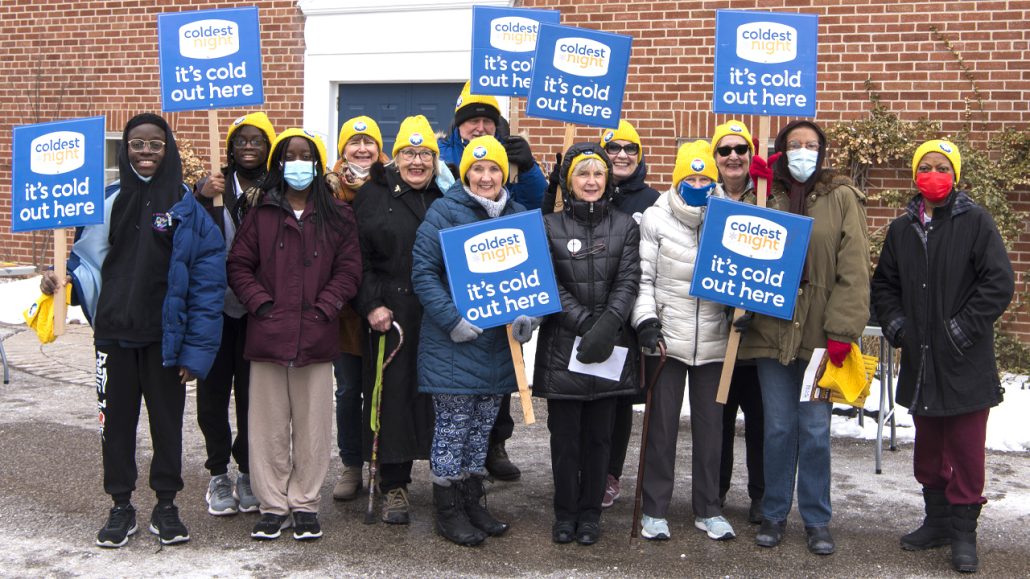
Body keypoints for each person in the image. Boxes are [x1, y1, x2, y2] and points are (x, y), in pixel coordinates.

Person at [41, 113, 226, 548]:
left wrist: (195, 354)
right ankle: (120, 506)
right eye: (137, 144)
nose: (146, 152)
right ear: (125, 149)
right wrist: (60, 284)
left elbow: (206, 282)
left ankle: (166, 505)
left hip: (166, 342)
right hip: (113, 337)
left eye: (155, 144)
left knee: (167, 426)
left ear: (169, 149)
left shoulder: (187, 206)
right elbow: (85, 264)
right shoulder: (103, 201)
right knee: (116, 426)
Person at [871, 140, 1014, 573]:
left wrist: (960, 328)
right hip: (920, 360)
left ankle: (963, 532)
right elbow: (884, 287)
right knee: (929, 450)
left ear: (955, 174)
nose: (934, 174)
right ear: (916, 176)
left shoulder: (976, 222)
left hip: (964, 358)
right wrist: (899, 327)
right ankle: (936, 522)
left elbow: (998, 283)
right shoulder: (901, 229)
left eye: (942, 167)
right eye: (926, 167)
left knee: (967, 451)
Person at [738, 120, 870, 556]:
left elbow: (854, 270)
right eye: (793, 145)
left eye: (811, 145)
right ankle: (774, 512)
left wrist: (842, 331)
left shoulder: (843, 197)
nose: (802, 151)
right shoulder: (764, 193)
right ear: (780, 151)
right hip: (771, 330)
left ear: (822, 152)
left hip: (819, 335)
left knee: (814, 428)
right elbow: (740, 252)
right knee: (777, 427)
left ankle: (816, 518)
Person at [228, 129, 362, 542]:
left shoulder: (338, 215)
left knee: (313, 427)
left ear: (318, 164)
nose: (298, 163)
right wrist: (263, 305)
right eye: (290, 155)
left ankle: (304, 504)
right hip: (268, 338)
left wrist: (326, 307)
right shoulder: (261, 212)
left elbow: (350, 270)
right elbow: (238, 266)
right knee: (266, 428)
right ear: (279, 164)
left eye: (306, 156)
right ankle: (272, 506)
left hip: (317, 338)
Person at [412, 135, 533, 545]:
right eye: (477, 169)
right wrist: (451, 320)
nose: (485, 177)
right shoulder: (444, 212)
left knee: (481, 430)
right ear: (466, 173)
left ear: (505, 173)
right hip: (455, 346)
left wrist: (529, 317)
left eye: (493, 169)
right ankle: (447, 511)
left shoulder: (517, 216)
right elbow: (423, 274)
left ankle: (472, 501)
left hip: (498, 349)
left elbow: (532, 281)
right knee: (453, 428)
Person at [438, 82, 548, 481]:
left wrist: (530, 168)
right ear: (459, 128)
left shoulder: (510, 157)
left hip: (499, 275)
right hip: (455, 281)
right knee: (455, 380)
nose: (479, 127)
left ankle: (494, 445)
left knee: (499, 369)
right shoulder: (441, 155)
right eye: (471, 122)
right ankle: (453, 461)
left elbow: (537, 204)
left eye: (487, 120)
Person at [533, 142, 641, 546]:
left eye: (598, 174)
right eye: (583, 174)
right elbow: (549, 283)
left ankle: (591, 514)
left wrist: (608, 324)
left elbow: (628, 280)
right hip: (565, 348)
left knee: (600, 439)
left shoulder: (626, 225)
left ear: (607, 180)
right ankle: (565, 512)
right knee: (564, 439)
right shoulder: (549, 226)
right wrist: (584, 324)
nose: (591, 181)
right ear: (569, 182)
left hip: (610, 348)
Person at [631, 140, 734, 541]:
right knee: (661, 428)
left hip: (714, 340)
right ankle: (655, 510)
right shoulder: (655, 220)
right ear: (676, 179)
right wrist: (646, 321)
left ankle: (708, 509)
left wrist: (741, 311)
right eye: (689, 177)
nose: (697, 184)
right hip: (667, 342)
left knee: (712, 431)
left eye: (705, 177)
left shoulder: (729, 218)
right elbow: (645, 279)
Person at [353, 115, 444, 523]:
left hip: (440, 312)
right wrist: (372, 304)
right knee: (392, 397)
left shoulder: (447, 194)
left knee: (442, 399)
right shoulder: (373, 194)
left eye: (426, 153)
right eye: (409, 152)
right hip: (393, 314)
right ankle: (394, 484)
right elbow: (358, 258)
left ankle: (450, 481)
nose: (418, 161)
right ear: (397, 157)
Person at [192, 111, 276, 517]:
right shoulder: (213, 186)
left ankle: (247, 470)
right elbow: (184, 227)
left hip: (256, 309)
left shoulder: (276, 186)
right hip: (214, 308)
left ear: (268, 146)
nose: (248, 147)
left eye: (256, 140)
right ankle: (217, 472)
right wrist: (198, 193)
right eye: (241, 140)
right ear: (228, 146)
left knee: (252, 396)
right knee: (211, 395)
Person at [595, 119, 660, 509]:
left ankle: (609, 473)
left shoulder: (651, 200)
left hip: (628, 315)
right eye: (613, 147)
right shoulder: (583, 189)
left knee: (618, 401)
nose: (621, 155)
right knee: (584, 395)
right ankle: (584, 467)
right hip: (585, 313)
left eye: (629, 149)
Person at [326, 116, 390, 501]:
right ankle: (352, 463)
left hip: (382, 305)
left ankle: (379, 461)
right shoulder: (326, 190)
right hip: (343, 314)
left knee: (381, 390)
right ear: (343, 149)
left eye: (369, 142)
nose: (362, 149)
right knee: (349, 390)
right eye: (355, 142)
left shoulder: (389, 186)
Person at [710, 120, 765, 524]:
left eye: (740, 150)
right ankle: (715, 492)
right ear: (714, 157)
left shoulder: (767, 197)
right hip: (715, 334)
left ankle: (761, 496)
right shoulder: (703, 199)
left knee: (762, 423)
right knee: (719, 423)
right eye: (725, 150)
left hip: (759, 338)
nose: (733, 156)